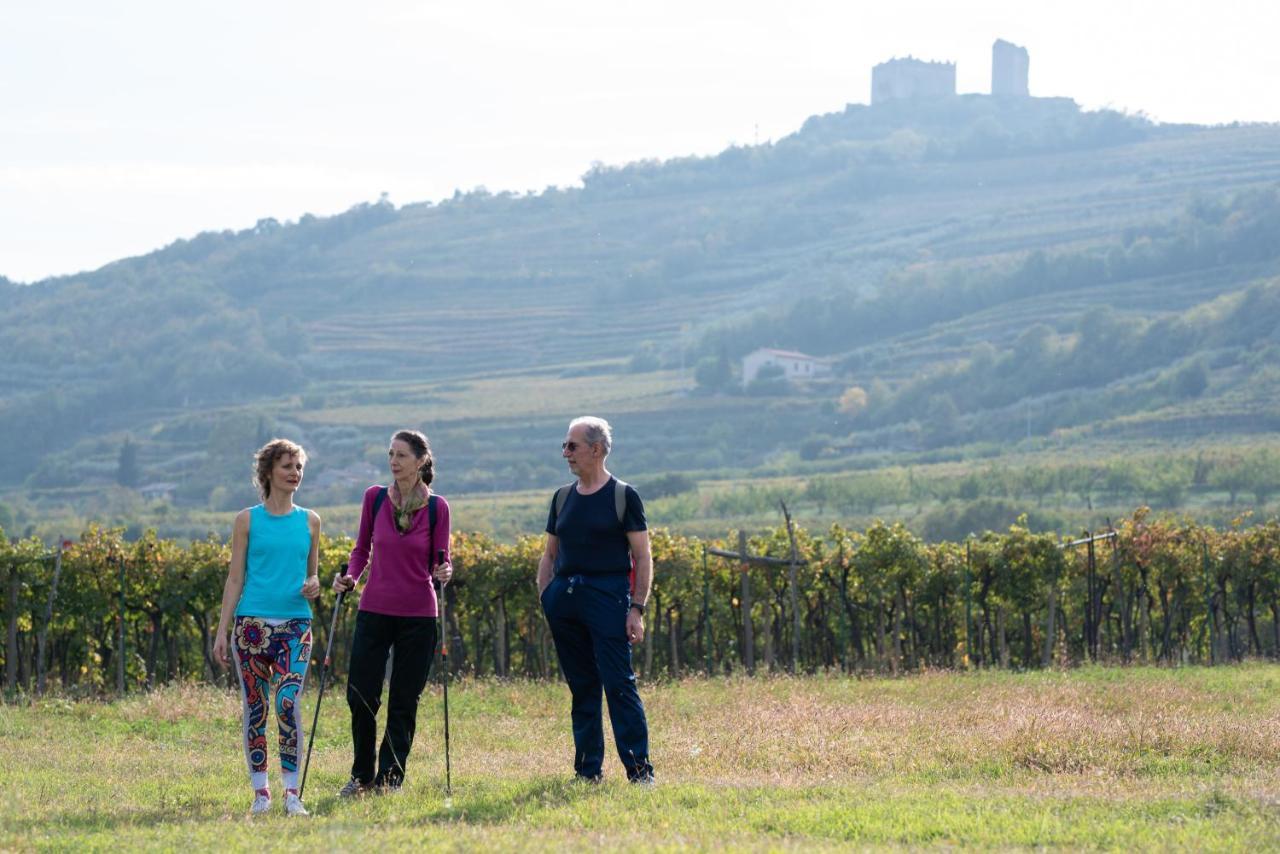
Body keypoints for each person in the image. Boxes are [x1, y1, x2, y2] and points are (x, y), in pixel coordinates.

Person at [333, 429, 453, 796]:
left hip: (419, 615)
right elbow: (361, 550)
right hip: (374, 609)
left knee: (404, 699)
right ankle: (361, 776)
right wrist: (351, 578)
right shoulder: (374, 499)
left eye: (401, 455)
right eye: (391, 454)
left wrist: (445, 571)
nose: (393, 461)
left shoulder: (437, 508)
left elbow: (442, 561)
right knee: (360, 695)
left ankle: (390, 779)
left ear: (420, 461)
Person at [537, 416, 655, 784]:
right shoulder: (561, 498)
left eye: (572, 446)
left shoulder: (623, 496)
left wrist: (636, 609)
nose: (565, 453)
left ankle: (639, 772)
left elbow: (643, 557)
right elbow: (549, 554)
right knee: (582, 687)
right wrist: (547, 597)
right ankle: (587, 772)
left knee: (619, 683)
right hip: (566, 600)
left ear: (596, 449)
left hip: (608, 598)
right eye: (564, 445)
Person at [213, 438, 322, 817]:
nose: (295, 473)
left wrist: (315, 584)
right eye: (288, 466)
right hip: (251, 627)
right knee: (256, 707)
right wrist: (222, 631)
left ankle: (293, 793)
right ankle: (262, 794)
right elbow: (234, 578)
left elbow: (313, 576)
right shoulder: (247, 520)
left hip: (297, 623)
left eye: (299, 467)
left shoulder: (311, 521)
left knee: (287, 702)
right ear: (269, 472)